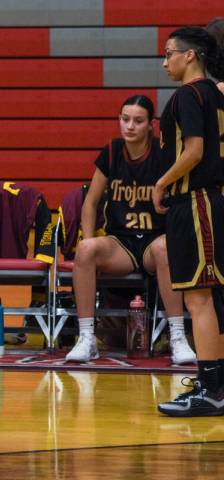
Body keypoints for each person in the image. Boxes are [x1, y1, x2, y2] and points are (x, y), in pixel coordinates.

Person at [65, 95, 196, 365]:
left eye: (138, 121)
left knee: (164, 248)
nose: (130, 126)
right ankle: (87, 338)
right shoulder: (112, 152)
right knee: (86, 249)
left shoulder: (164, 153)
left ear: (151, 125)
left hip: (153, 241)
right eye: (125, 119)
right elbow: (90, 203)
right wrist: (89, 239)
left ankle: (177, 337)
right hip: (120, 243)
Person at [154, 27, 224, 417]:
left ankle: (211, 390)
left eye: (169, 54)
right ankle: (216, 384)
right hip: (212, 201)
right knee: (211, 299)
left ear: (191, 55)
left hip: (196, 201)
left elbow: (194, 150)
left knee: (199, 298)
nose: (166, 62)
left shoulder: (188, 95)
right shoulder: (218, 94)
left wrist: (161, 182)